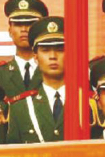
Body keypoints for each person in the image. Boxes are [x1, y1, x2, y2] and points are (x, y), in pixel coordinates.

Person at [8, 16, 67, 144]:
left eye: (60, 50)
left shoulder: (86, 103)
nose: (53, 56)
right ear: (35, 57)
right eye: (45, 50)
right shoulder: (20, 107)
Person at [0, 0, 48, 99]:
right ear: (10, 31)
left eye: (30, 24)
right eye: (18, 24)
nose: (24, 29)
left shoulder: (54, 70)